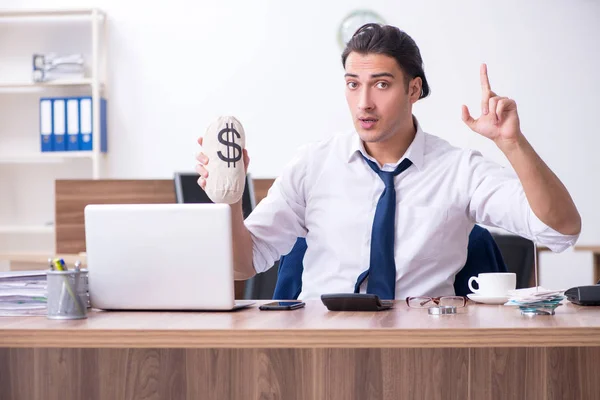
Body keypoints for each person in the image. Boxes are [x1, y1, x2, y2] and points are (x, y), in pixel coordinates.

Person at [195, 24, 581, 300]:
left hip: (421, 350)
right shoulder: (312, 165)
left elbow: (560, 230)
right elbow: (242, 266)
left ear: (413, 89)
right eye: (352, 84)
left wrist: (512, 144)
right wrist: (229, 200)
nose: (364, 101)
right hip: (321, 346)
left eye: (381, 84)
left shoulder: (458, 170)